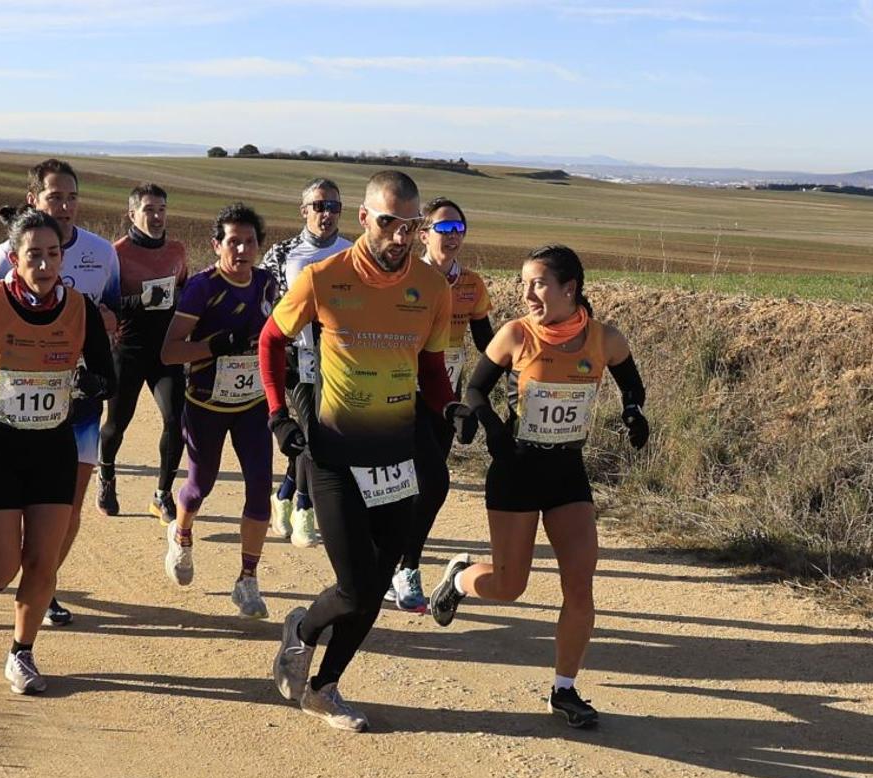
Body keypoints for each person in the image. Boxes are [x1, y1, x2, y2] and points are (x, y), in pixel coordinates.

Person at [262, 171, 472, 731]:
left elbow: (430, 367)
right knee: (355, 585)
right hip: (334, 455)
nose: (400, 237)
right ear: (363, 218)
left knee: (376, 584)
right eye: (388, 224)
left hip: (397, 457)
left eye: (411, 226)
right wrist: (278, 414)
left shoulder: (432, 288)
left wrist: (448, 405)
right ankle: (301, 631)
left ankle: (326, 687)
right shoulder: (323, 278)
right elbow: (270, 340)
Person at [429, 244, 649, 729]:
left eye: (538, 284)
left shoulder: (604, 338)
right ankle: (461, 577)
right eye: (523, 283)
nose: (526, 294)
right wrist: (488, 426)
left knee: (580, 584)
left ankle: (564, 690)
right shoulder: (515, 335)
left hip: (567, 473)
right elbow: (475, 390)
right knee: (509, 586)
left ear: (569, 288)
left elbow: (631, 382)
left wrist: (634, 411)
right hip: (516, 469)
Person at [0, 207, 113, 694]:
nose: (46, 265)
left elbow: (106, 376)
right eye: (34, 255)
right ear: (14, 258)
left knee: (43, 561)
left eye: (53, 254)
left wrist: (92, 383)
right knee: (0, 569)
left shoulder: (79, 308)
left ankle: (21, 653)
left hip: (53, 446)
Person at [0, 159, 120, 628]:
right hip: (13, 409)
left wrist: (105, 331)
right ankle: (2, 568)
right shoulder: (6, 255)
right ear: (33, 201)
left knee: (70, 506)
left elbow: (115, 314)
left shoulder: (102, 252)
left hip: (76, 406)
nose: (65, 206)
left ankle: (45, 584)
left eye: (72, 197)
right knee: (16, 517)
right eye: (55, 197)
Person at [160, 203, 277, 618]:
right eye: (233, 242)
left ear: (259, 246)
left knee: (260, 485)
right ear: (217, 245)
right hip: (206, 403)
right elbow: (170, 352)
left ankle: (247, 579)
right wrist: (213, 346)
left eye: (249, 242)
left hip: (252, 405)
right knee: (200, 484)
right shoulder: (202, 287)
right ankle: (182, 533)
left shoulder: (267, 284)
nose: (242, 249)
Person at [384, 197, 495, 612]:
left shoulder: (472, 284)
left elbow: (488, 346)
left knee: (422, 486)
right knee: (430, 482)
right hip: (398, 393)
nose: (452, 237)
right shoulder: (403, 277)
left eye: (458, 229)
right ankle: (405, 566)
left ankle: (392, 564)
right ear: (423, 234)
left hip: (445, 398)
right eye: (442, 229)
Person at [259, 178, 351, 548]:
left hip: (342, 361)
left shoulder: (354, 253)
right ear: (304, 211)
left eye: (333, 207)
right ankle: (304, 509)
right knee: (314, 434)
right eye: (318, 206)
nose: (326, 214)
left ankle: (282, 494)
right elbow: (266, 311)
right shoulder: (281, 255)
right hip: (298, 359)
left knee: (323, 434)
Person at [96, 183, 188, 523]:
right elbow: (105, 304)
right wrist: (139, 302)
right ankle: (106, 477)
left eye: (162, 209)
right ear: (132, 214)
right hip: (128, 349)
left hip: (166, 350)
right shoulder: (116, 253)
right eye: (149, 209)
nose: (157, 216)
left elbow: (184, 289)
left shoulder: (177, 250)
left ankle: (162, 495)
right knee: (117, 424)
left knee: (176, 422)